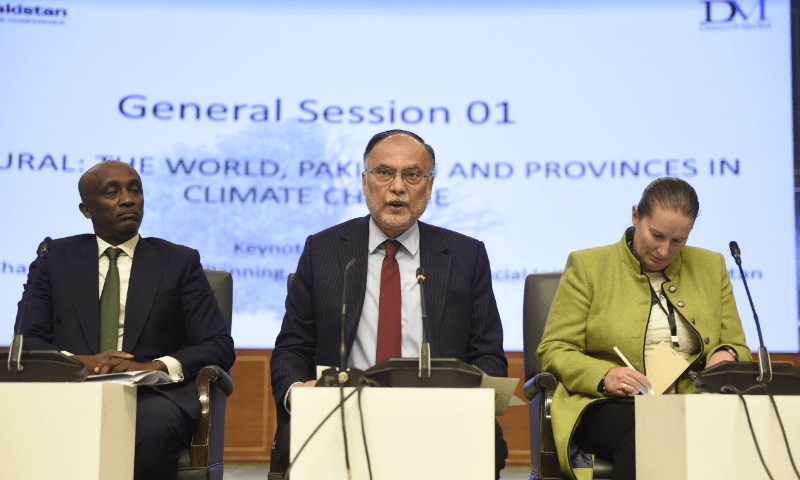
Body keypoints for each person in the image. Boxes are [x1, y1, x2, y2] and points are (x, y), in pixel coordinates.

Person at [269, 129, 508, 478]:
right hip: (341, 415)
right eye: (384, 173)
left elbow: (488, 354)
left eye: (412, 175)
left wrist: (468, 401)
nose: (397, 187)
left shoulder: (465, 255)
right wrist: (298, 395)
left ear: (428, 187)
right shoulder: (323, 250)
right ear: (365, 182)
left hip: (439, 419)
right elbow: (292, 348)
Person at [14, 160, 236, 480]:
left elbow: (218, 345)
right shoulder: (54, 258)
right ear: (87, 209)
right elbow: (27, 339)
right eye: (112, 192)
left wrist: (153, 367)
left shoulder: (178, 262)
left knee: (153, 427)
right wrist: (83, 364)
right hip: (68, 389)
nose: (128, 199)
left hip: (150, 395)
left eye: (135, 189)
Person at [537, 177, 751, 480]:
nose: (664, 250)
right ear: (636, 216)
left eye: (678, 241)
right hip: (609, 404)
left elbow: (737, 346)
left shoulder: (711, 266)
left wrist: (726, 356)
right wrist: (605, 375)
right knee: (647, 424)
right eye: (657, 235)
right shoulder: (589, 266)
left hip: (694, 402)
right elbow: (554, 349)